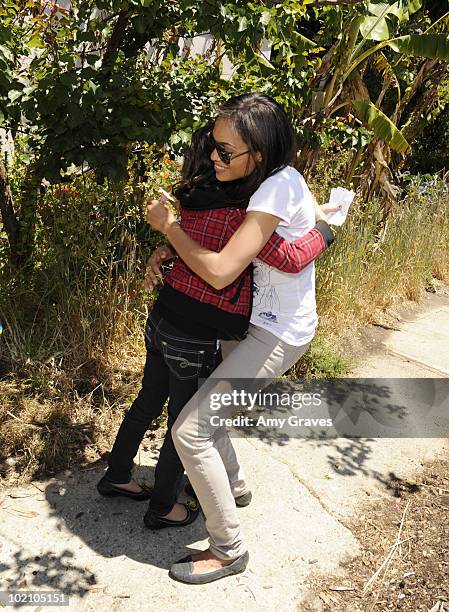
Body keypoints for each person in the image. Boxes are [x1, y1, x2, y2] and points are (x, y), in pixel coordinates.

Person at [97, 93, 336, 532]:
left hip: (252, 327)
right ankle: (216, 491)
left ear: (258, 154)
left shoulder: (260, 193)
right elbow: (267, 251)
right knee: (198, 418)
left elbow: (238, 265)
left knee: (187, 425)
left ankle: (219, 532)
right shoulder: (254, 189)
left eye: (225, 151)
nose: (213, 156)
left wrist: (170, 231)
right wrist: (172, 245)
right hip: (228, 324)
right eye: (212, 145)